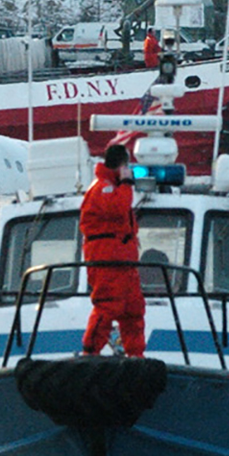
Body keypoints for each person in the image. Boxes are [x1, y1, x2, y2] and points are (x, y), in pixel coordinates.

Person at [78, 144, 145, 358]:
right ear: (122, 164)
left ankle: (136, 355)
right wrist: (126, 182)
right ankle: (90, 352)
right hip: (108, 263)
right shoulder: (103, 188)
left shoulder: (110, 188)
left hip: (124, 264)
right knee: (107, 307)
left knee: (133, 310)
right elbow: (118, 207)